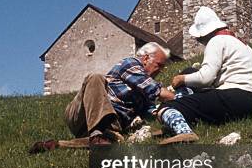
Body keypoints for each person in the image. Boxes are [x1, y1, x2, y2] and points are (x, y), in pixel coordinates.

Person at [29, 42, 174, 152]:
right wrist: (179, 97)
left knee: (112, 140)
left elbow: (151, 110)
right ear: (146, 58)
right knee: (96, 78)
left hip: (109, 124)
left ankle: (57, 145)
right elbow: (155, 90)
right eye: (159, 65)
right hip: (82, 113)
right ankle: (97, 134)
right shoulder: (131, 64)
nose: (160, 70)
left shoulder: (146, 94)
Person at [157, 7, 252, 144]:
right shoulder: (241, 44)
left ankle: (183, 130)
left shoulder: (216, 41)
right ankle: (179, 119)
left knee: (166, 107)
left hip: (234, 96)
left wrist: (182, 79)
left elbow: (206, 78)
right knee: (190, 71)